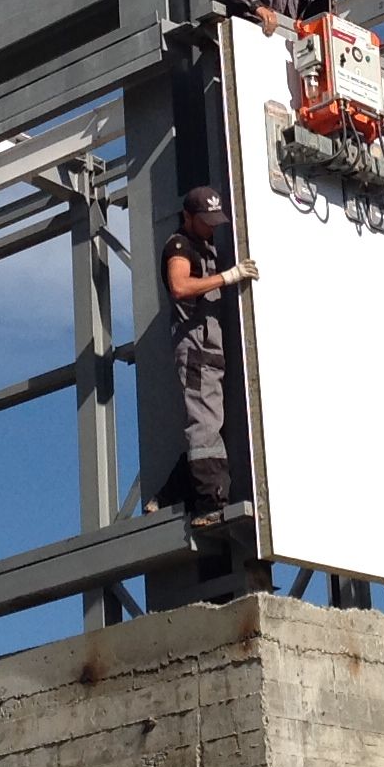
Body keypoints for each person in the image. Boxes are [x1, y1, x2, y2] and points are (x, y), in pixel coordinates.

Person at [156, 184, 257, 521]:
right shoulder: (180, 246)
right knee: (205, 424)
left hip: (210, 347)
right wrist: (228, 277)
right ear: (188, 217)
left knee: (213, 422)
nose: (211, 227)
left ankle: (172, 493)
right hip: (197, 347)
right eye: (205, 221)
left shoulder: (206, 244)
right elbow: (179, 286)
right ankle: (210, 503)